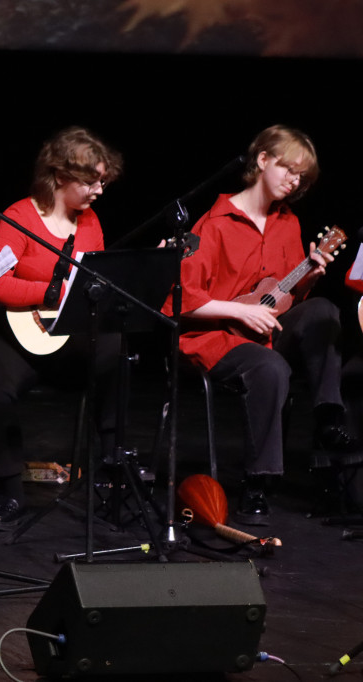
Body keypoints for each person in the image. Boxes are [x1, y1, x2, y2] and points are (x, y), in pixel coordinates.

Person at [171, 124, 356, 525]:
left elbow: (284, 297)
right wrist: (238, 311)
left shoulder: (287, 223)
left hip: (267, 330)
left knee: (323, 310)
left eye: (301, 177)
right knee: (271, 367)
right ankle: (258, 481)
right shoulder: (214, 224)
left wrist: (310, 275)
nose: (294, 181)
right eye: (289, 169)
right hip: (215, 337)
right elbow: (180, 300)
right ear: (262, 160)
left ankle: (328, 414)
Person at [0, 127, 123, 529]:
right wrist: (49, 292)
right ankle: (10, 491)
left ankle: (113, 476)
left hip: (70, 340)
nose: (98, 191)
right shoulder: (20, 217)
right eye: (91, 182)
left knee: (115, 348)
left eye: (102, 182)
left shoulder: (91, 224)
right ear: (60, 177)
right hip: (23, 338)